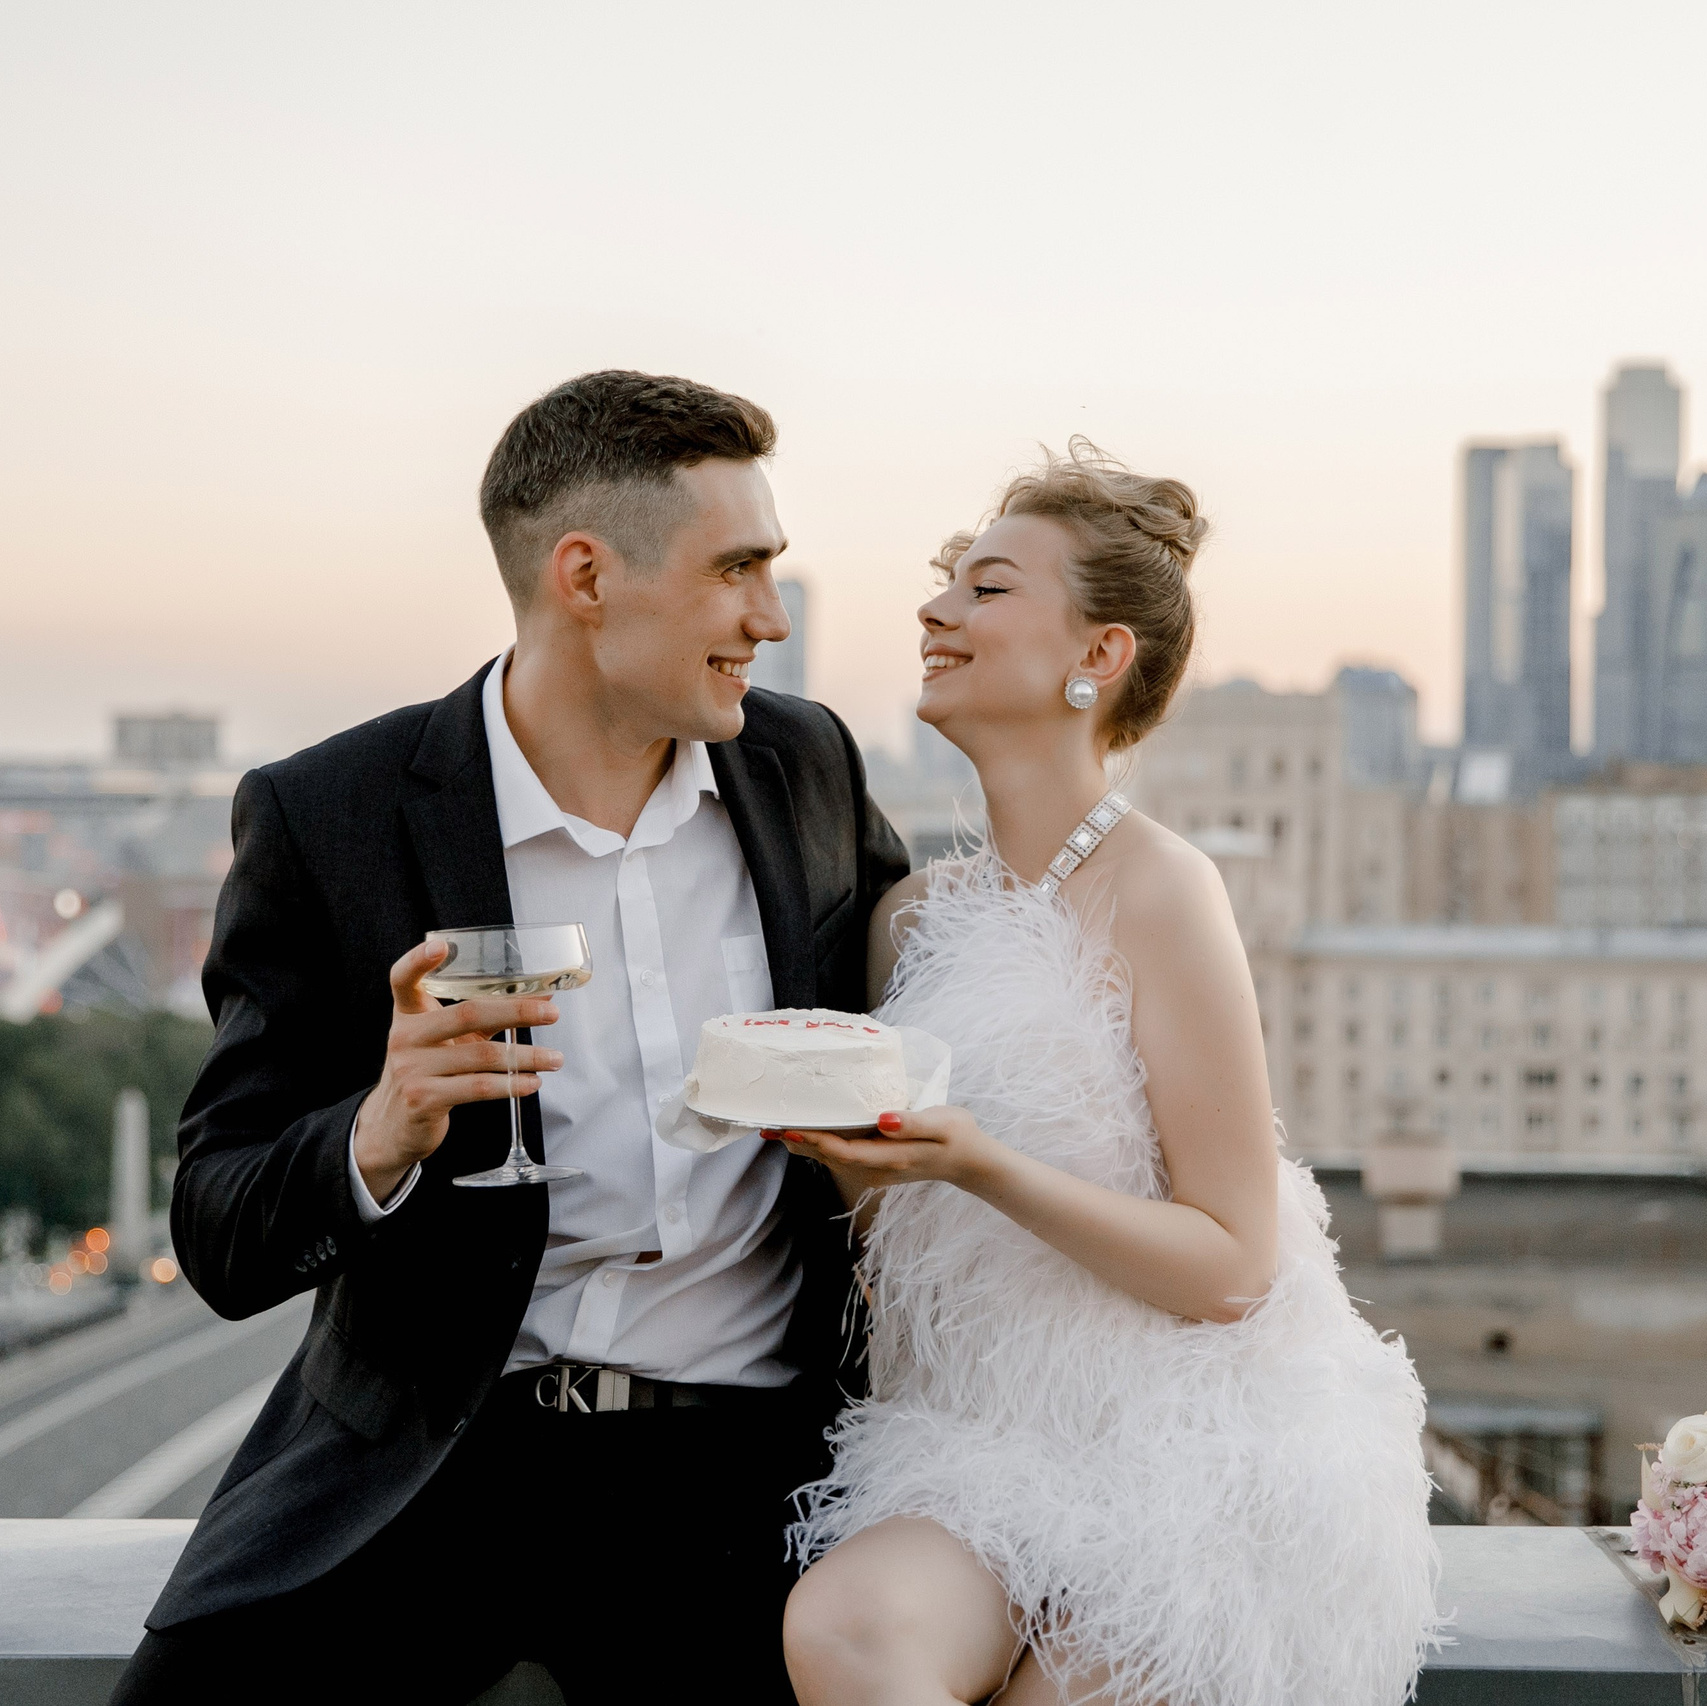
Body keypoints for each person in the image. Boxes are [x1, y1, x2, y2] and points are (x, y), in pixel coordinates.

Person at [113, 371, 909, 1705]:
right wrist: (379, 1131)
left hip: (744, 1478)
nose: (770, 617)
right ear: (583, 575)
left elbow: (920, 997)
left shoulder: (803, 767)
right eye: (737, 571)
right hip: (432, 1459)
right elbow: (218, 1224)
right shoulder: (333, 817)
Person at [776, 441, 1440, 1706]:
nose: (935, 612)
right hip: (975, 1444)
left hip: (1193, 1443)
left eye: (988, 589)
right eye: (946, 585)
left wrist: (981, 1162)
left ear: (1099, 655)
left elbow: (1237, 1262)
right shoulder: (909, 917)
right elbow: (900, 1251)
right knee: (847, 1628)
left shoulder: (1164, 889)